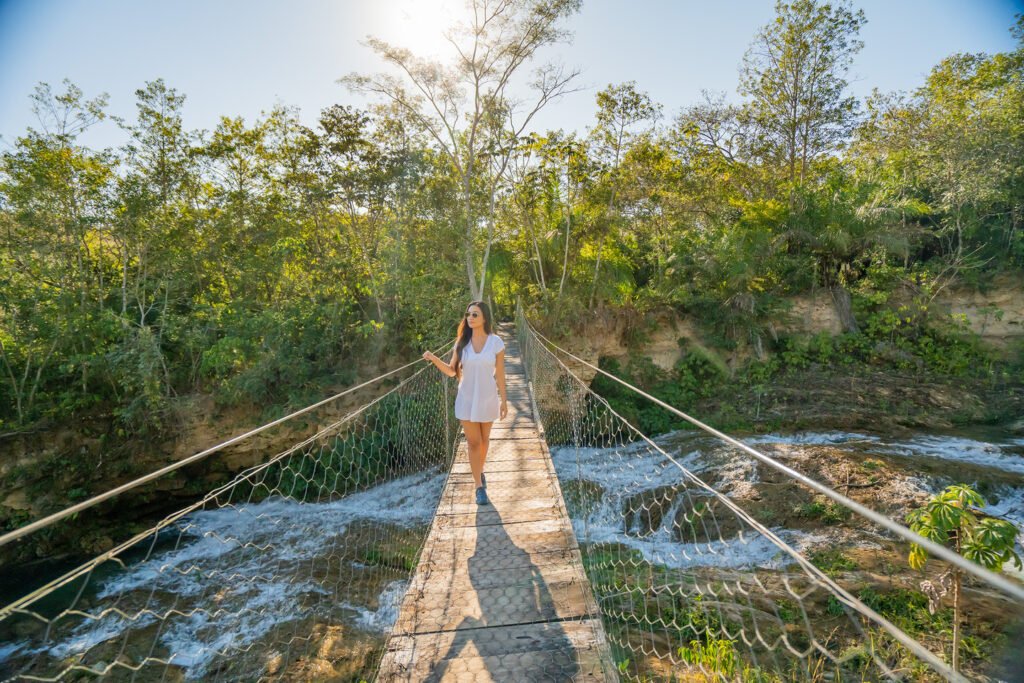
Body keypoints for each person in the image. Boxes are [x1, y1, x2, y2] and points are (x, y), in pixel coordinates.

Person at [422, 300, 507, 505]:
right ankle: (479, 486)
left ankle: (479, 470)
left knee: (485, 440)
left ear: (484, 318)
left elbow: (501, 375)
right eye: (468, 314)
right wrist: (434, 359)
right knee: (473, 442)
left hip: (487, 398)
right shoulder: (461, 343)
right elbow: (452, 371)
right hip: (467, 398)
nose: (470, 317)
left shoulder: (496, 343)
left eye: (475, 314)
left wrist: (504, 400)